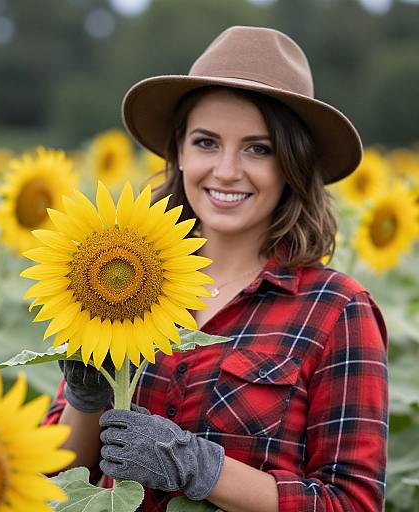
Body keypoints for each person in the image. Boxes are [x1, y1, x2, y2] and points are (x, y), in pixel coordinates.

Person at [44, 26, 388, 511]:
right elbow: (54, 475)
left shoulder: (336, 312)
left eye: (258, 148)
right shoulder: (114, 277)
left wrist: (201, 467)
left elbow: (352, 503)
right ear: (179, 151)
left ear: (292, 164)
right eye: (207, 142)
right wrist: (85, 400)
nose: (227, 170)